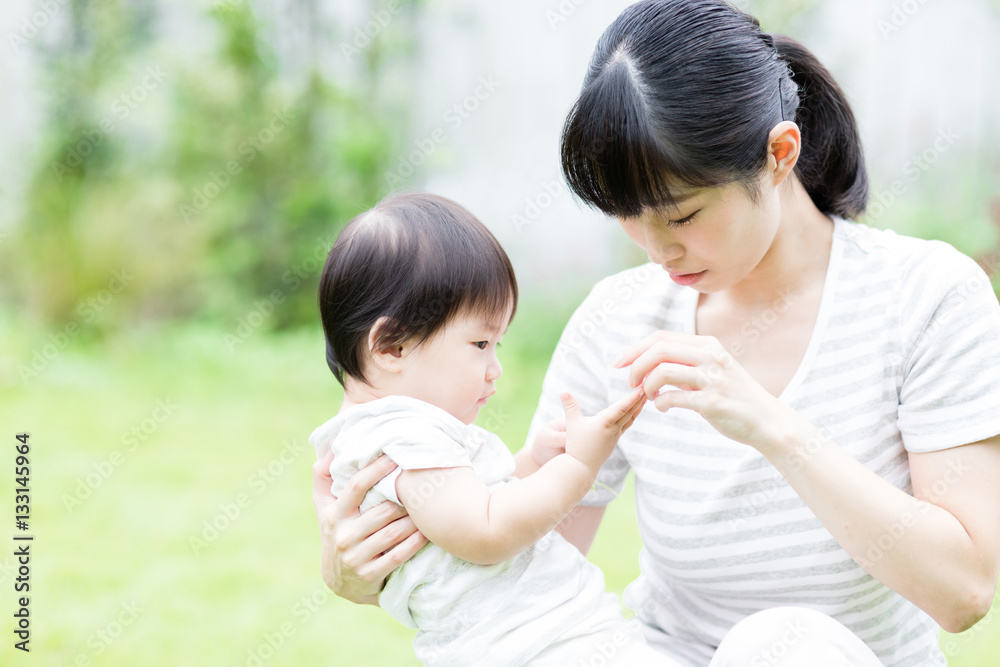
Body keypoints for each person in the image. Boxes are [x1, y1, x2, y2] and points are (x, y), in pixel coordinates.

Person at [313, 1, 1000, 665]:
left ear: (780, 154)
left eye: (681, 216)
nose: (656, 252)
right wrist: (358, 571)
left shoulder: (927, 297)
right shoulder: (619, 321)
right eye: (627, 217)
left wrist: (772, 426)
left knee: (781, 644)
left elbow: (964, 589)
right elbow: (522, 560)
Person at [310, 191, 677, 666]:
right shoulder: (402, 438)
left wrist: (533, 464)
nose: (494, 368)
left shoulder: (386, 436)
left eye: (497, 344)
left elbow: (472, 503)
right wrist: (579, 465)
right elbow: (485, 532)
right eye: (480, 342)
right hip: (542, 647)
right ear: (391, 347)